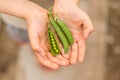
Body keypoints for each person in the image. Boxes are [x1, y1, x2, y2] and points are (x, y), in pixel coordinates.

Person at [0, 0, 94, 70]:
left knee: (41, 43)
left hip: (67, 10)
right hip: (15, 14)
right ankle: (37, 50)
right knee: (28, 39)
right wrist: (29, 11)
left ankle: (42, 51)